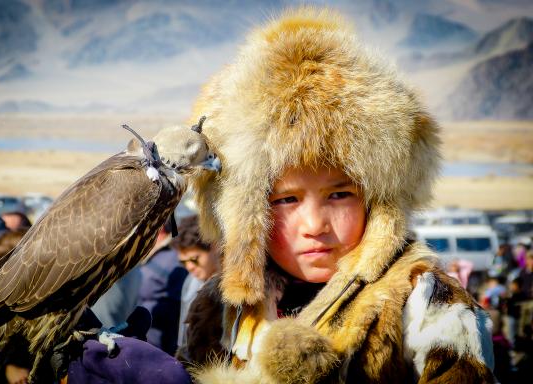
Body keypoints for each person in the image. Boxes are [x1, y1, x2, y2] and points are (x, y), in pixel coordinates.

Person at [180, 7, 495, 383]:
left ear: (379, 202)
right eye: (286, 200)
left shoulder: (425, 305)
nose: (314, 225)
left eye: (339, 195)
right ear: (243, 211)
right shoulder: (221, 308)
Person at [169, 215, 219, 354]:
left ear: (215, 246)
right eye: (184, 262)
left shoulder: (234, 283)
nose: (190, 267)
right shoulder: (191, 282)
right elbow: (184, 338)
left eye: (194, 259)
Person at [136, 223, 188, 355]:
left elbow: (177, 304)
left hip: (159, 344)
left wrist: (145, 315)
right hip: (142, 336)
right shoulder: (151, 252)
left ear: (160, 228)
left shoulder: (173, 257)